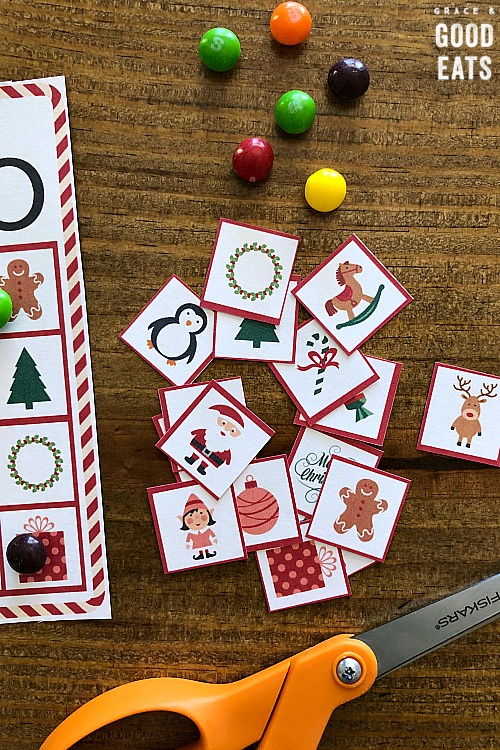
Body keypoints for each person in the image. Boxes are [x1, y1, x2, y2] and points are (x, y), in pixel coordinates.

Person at [184, 403, 244, 475]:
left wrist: (228, 460)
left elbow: (228, 454)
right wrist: (194, 432)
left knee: (207, 461)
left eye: (232, 430)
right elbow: (202, 432)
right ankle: (192, 459)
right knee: (197, 452)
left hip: (213, 456)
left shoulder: (225, 446)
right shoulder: (209, 433)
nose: (225, 429)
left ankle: (202, 467)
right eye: (224, 423)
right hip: (202, 445)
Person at [178, 493, 217, 561]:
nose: (197, 520)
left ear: (209, 515)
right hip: (197, 544)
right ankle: (201, 555)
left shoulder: (207, 530)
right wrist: (188, 544)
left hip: (206, 541)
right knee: (200, 549)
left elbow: (212, 534)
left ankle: (207, 553)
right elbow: (188, 539)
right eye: (191, 517)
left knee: (206, 547)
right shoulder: (191, 534)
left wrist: (214, 539)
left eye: (201, 514)